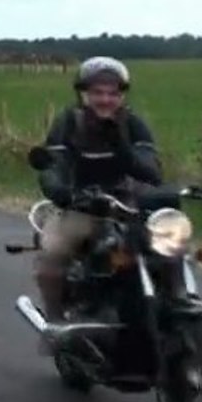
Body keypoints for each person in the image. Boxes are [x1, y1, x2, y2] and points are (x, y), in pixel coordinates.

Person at [34, 56, 163, 323]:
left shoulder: (132, 125)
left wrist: (122, 149)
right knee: (53, 252)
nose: (105, 100)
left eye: (113, 93)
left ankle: (178, 302)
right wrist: (60, 191)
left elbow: (151, 172)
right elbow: (52, 166)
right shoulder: (69, 124)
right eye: (97, 93)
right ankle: (56, 323)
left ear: (121, 96)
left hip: (128, 206)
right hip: (81, 204)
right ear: (83, 94)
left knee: (171, 248)